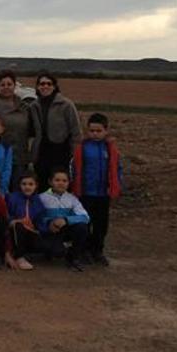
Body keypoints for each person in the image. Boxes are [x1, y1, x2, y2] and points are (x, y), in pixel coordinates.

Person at [71, 112, 121, 266]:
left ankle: (97, 250)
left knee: (101, 224)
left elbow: (117, 169)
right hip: (86, 193)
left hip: (103, 194)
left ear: (106, 131)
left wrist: (116, 186)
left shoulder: (111, 149)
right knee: (86, 223)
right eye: (92, 131)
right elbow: (74, 168)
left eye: (99, 131)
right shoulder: (82, 148)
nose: (95, 134)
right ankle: (83, 250)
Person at [30, 72, 82, 188]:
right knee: (42, 186)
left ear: (54, 86)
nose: (45, 86)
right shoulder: (34, 106)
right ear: (38, 86)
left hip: (61, 152)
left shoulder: (66, 105)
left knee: (59, 186)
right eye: (42, 84)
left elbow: (76, 131)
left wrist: (75, 155)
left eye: (49, 83)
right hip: (41, 152)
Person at [0, 70, 32, 188]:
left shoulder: (24, 107)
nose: (6, 87)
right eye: (3, 84)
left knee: (17, 191)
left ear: (14, 85)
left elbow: (31, 131)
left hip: (20, 156)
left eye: (9, 84)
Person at [40, 167, 90, 272]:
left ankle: (74, 257)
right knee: (57, 252)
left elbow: (85, 217)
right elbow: (36, 218)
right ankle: (50, 251)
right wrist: (49, 222)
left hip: (65, 229)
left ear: (68, 183)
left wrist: (66, 220)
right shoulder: (42, 198)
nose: (61, 183)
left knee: (82, 227)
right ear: (50, 182)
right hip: (49, 231)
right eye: (57, 180)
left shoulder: (72, 198)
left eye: (64, 181)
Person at [6, 171, 48, 271]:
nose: (27, 187)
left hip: (31, 231)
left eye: (30, 184)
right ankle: (19, 257)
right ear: (19, 185)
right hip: (15, 229)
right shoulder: (12, 198)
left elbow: (41, 219)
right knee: (19, 226)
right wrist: (13, 221)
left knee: (52, 248)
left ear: (36, 185)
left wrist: (40, 228)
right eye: (24, 184)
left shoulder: (38, 201)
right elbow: (6, 214)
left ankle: (25, 253)